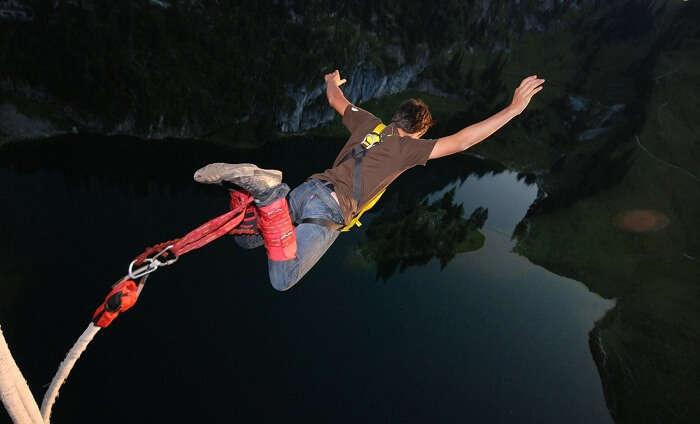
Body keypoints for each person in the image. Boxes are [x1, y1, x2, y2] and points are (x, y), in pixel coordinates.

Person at [194, 70, 545, 291]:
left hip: (307, 190)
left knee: (246, 241)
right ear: (419, 131)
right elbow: (464, 140)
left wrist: (332, 80)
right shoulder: (409, 149)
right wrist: (514, 108)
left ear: (394, 117)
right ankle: (269, 195)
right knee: (282, 279)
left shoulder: (368, 123)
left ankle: (267, 194)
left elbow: (335, 98)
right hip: (329, 210)